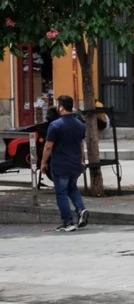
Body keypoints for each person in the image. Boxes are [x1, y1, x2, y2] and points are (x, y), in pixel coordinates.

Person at [39, 95, 89, 233]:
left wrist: (43, 163)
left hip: (60, 165)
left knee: (61, 193)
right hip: (75, 164)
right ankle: (81, 209)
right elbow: (81, 144)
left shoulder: (55, 125)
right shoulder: (80, 124)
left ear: (61, 107)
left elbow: (48, 146)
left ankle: (67, 222)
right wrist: (82, 161)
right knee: (72, 188)